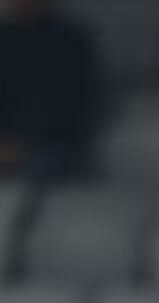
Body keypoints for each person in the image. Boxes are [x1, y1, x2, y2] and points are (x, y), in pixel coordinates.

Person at [0, 0, 100, 180]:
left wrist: (23, 145)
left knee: (39, 168)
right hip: (8, 143)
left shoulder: (70, 40)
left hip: (53, 145)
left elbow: (79, 104)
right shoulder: (5, 37)